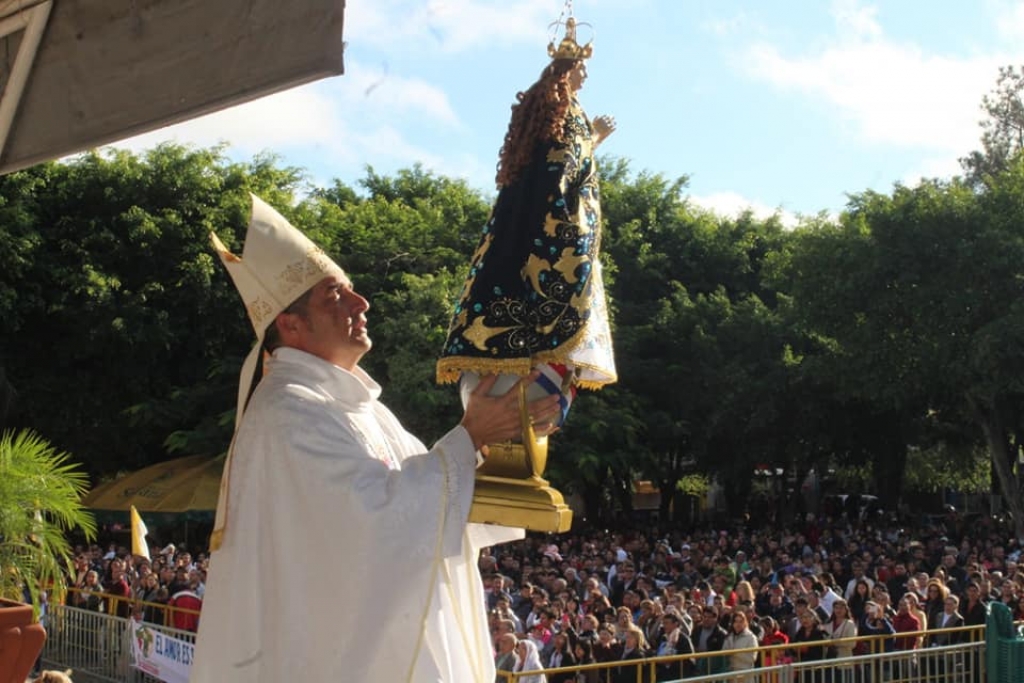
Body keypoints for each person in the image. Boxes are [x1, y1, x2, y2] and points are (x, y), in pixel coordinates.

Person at [191, 195, 561, 681]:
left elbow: (432, 502)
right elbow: (369, 528)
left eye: (352, 290)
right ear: (291, 324)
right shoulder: (286, 413)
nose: (361, 301)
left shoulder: (363, 407)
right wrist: (469, 436)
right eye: (334, 295)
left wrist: (503, 441)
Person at [437, 16, 617, 428]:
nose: (585, 78)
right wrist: (593, 138)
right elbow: (565, 172)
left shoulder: (543, 113)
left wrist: (590, 139)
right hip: (551, 234)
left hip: (514, 232)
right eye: (582, 71)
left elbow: (555, 168)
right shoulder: (566, 114)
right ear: (567, 71)